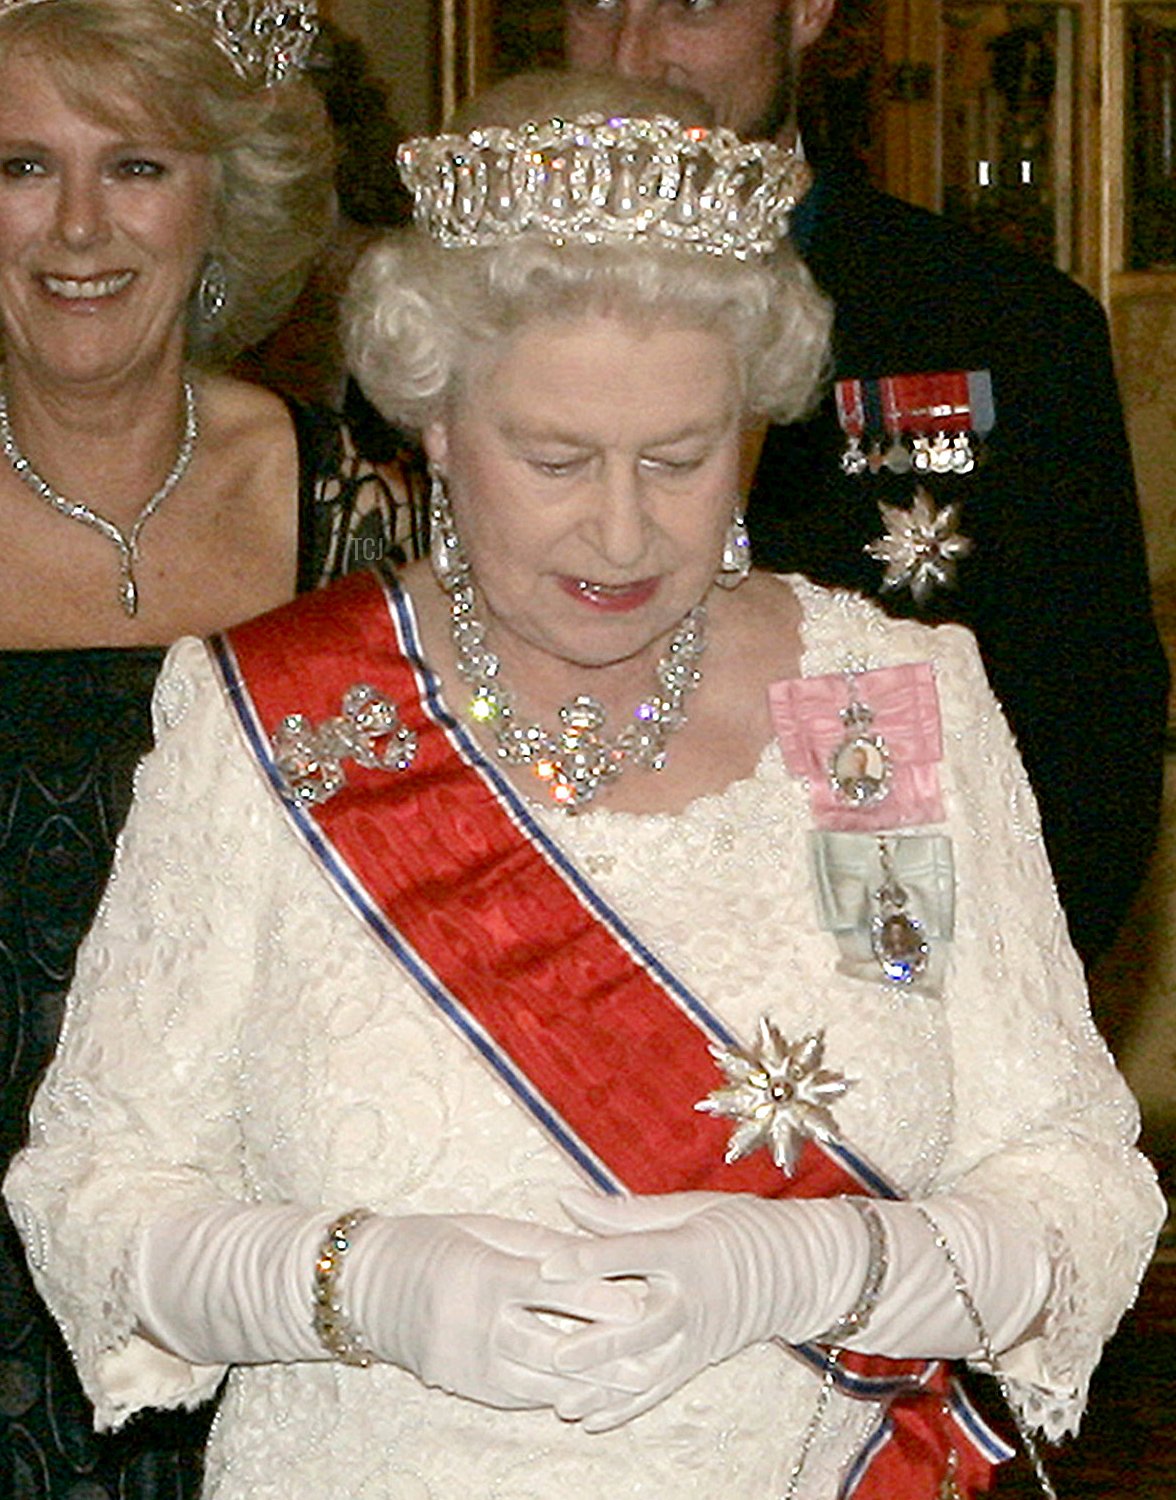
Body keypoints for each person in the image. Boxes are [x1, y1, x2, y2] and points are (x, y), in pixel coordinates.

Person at [5, 74, 1164, 1500]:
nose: (621, 530)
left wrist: (817, 1260)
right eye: (552, 458)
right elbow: (91, 1197)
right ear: (431, 423)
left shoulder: (864, 708)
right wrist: (357, 1287)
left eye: (682, 459)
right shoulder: (279, 722)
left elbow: (1073, 1182)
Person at [0, 0, 420, 1493]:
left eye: (136, 167)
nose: (72, 227)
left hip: (263, 1273)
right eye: (17, 166)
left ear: (223, 195)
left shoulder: (363, 516)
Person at [563, 0, 1170, 972]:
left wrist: (925, 1023)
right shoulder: (461, 343)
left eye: (692, 6)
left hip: (898, 998)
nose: (635, 55)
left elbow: (1087, 774)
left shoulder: (995, 327)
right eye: (597, 3)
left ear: (806, 11)